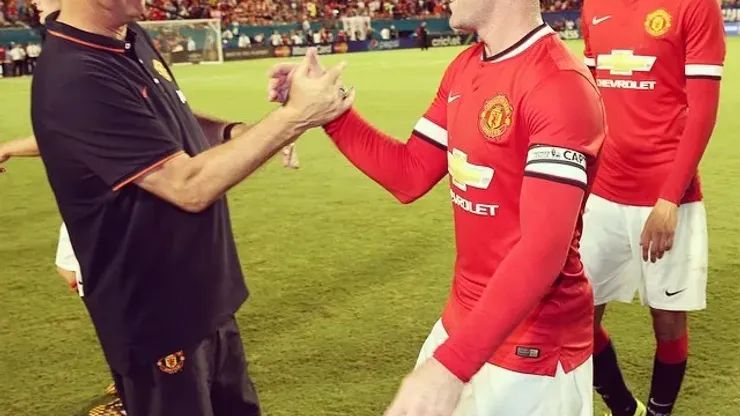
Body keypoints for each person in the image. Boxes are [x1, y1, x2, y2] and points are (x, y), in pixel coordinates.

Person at [269, 1, 605, 415]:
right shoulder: (465, 66)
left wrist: (450, 367)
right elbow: (409, 173)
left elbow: (543, 251)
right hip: (462, 324)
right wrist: (329, 113)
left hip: (533, 350)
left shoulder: (560, 85)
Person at [31, 0, 351, 414]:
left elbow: (166, 121)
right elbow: (187, 186)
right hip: (155, 318)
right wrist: (294, 117)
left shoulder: (128, 37)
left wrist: (241, 133)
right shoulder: (75, 75)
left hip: (202, 296)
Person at [580, 0, 726, 415]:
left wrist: (669, 198)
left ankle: (660, 412)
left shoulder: (695, 5)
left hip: (665, 195)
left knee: (668, 321)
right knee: (577, 316)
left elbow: (702, 112)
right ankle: (625, 409)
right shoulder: (593, 6)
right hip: (603, 192)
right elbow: (590, 98)